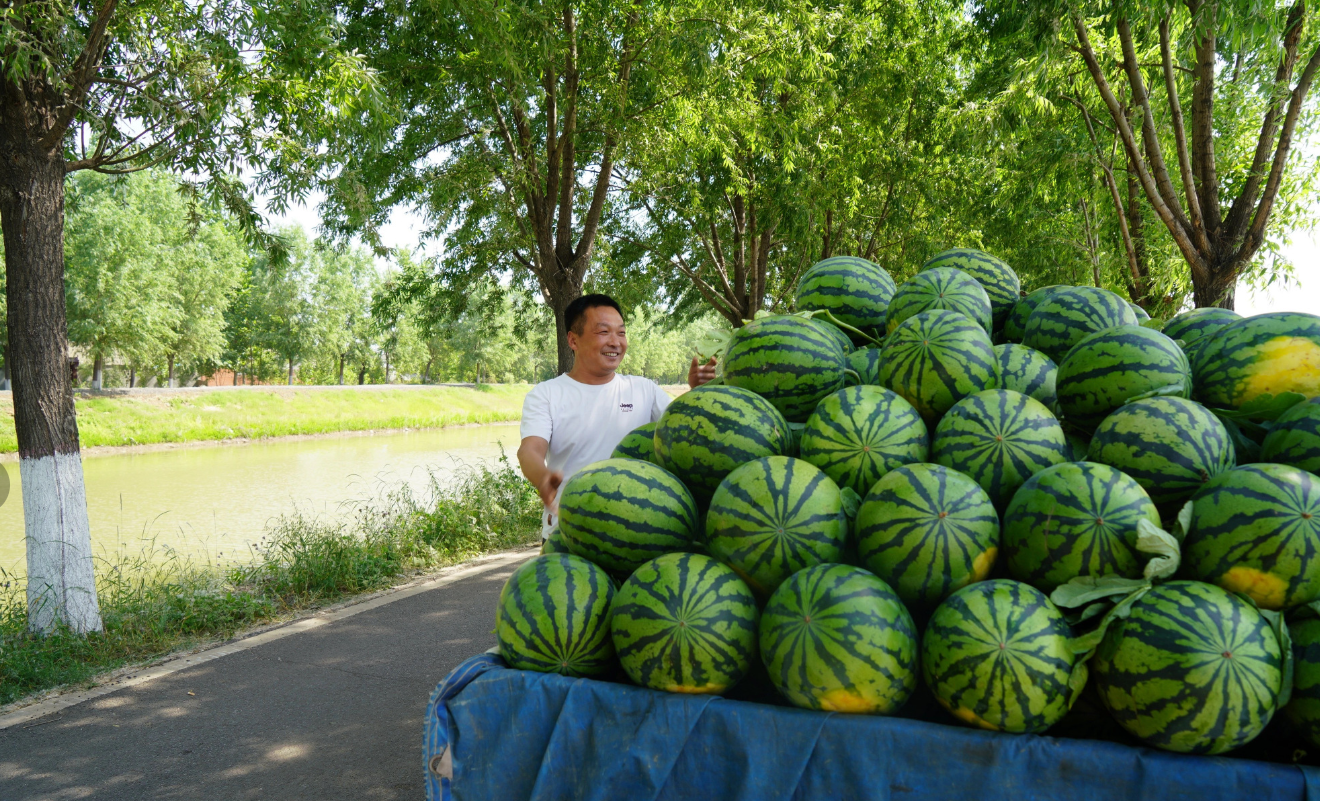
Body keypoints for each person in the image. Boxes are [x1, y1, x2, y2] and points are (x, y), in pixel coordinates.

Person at [517, 294, 718, 540]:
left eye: (621, 333)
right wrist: (542, 477)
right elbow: (529, 451)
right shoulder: (546, 394)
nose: (615, 342)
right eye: (603, 332)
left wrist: (696, 395)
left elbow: (682, 430)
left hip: (640, 531)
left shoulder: (645, 389)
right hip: (569, 533)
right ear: (573, 340)